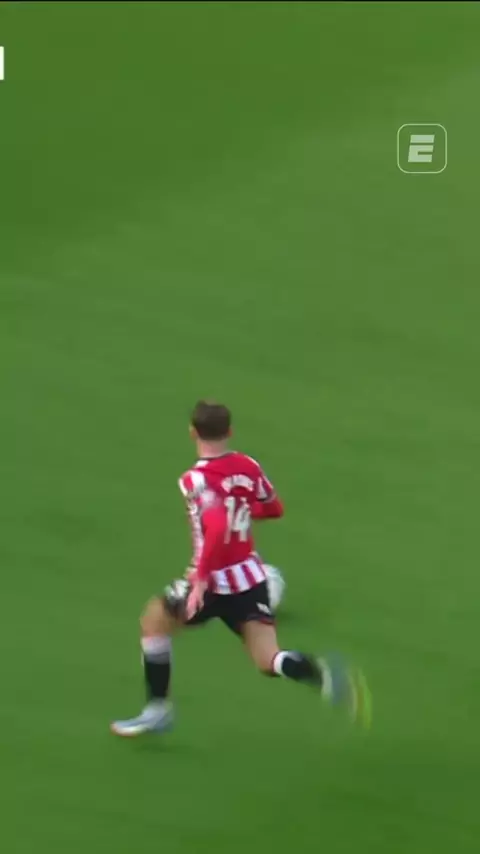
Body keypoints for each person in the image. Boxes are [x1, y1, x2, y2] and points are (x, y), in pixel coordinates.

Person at [111, 401, 369, 736]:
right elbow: (274, 508)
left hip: (213, 582)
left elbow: (217, 526)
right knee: (268, 659)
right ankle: (319, 673)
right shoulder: (248, 466)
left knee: (153, 623)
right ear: (229, 431)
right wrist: (243, 514)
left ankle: (157, 710)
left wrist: (200, 579)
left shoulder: (195, 479)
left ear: (192, 432)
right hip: (249, 578)